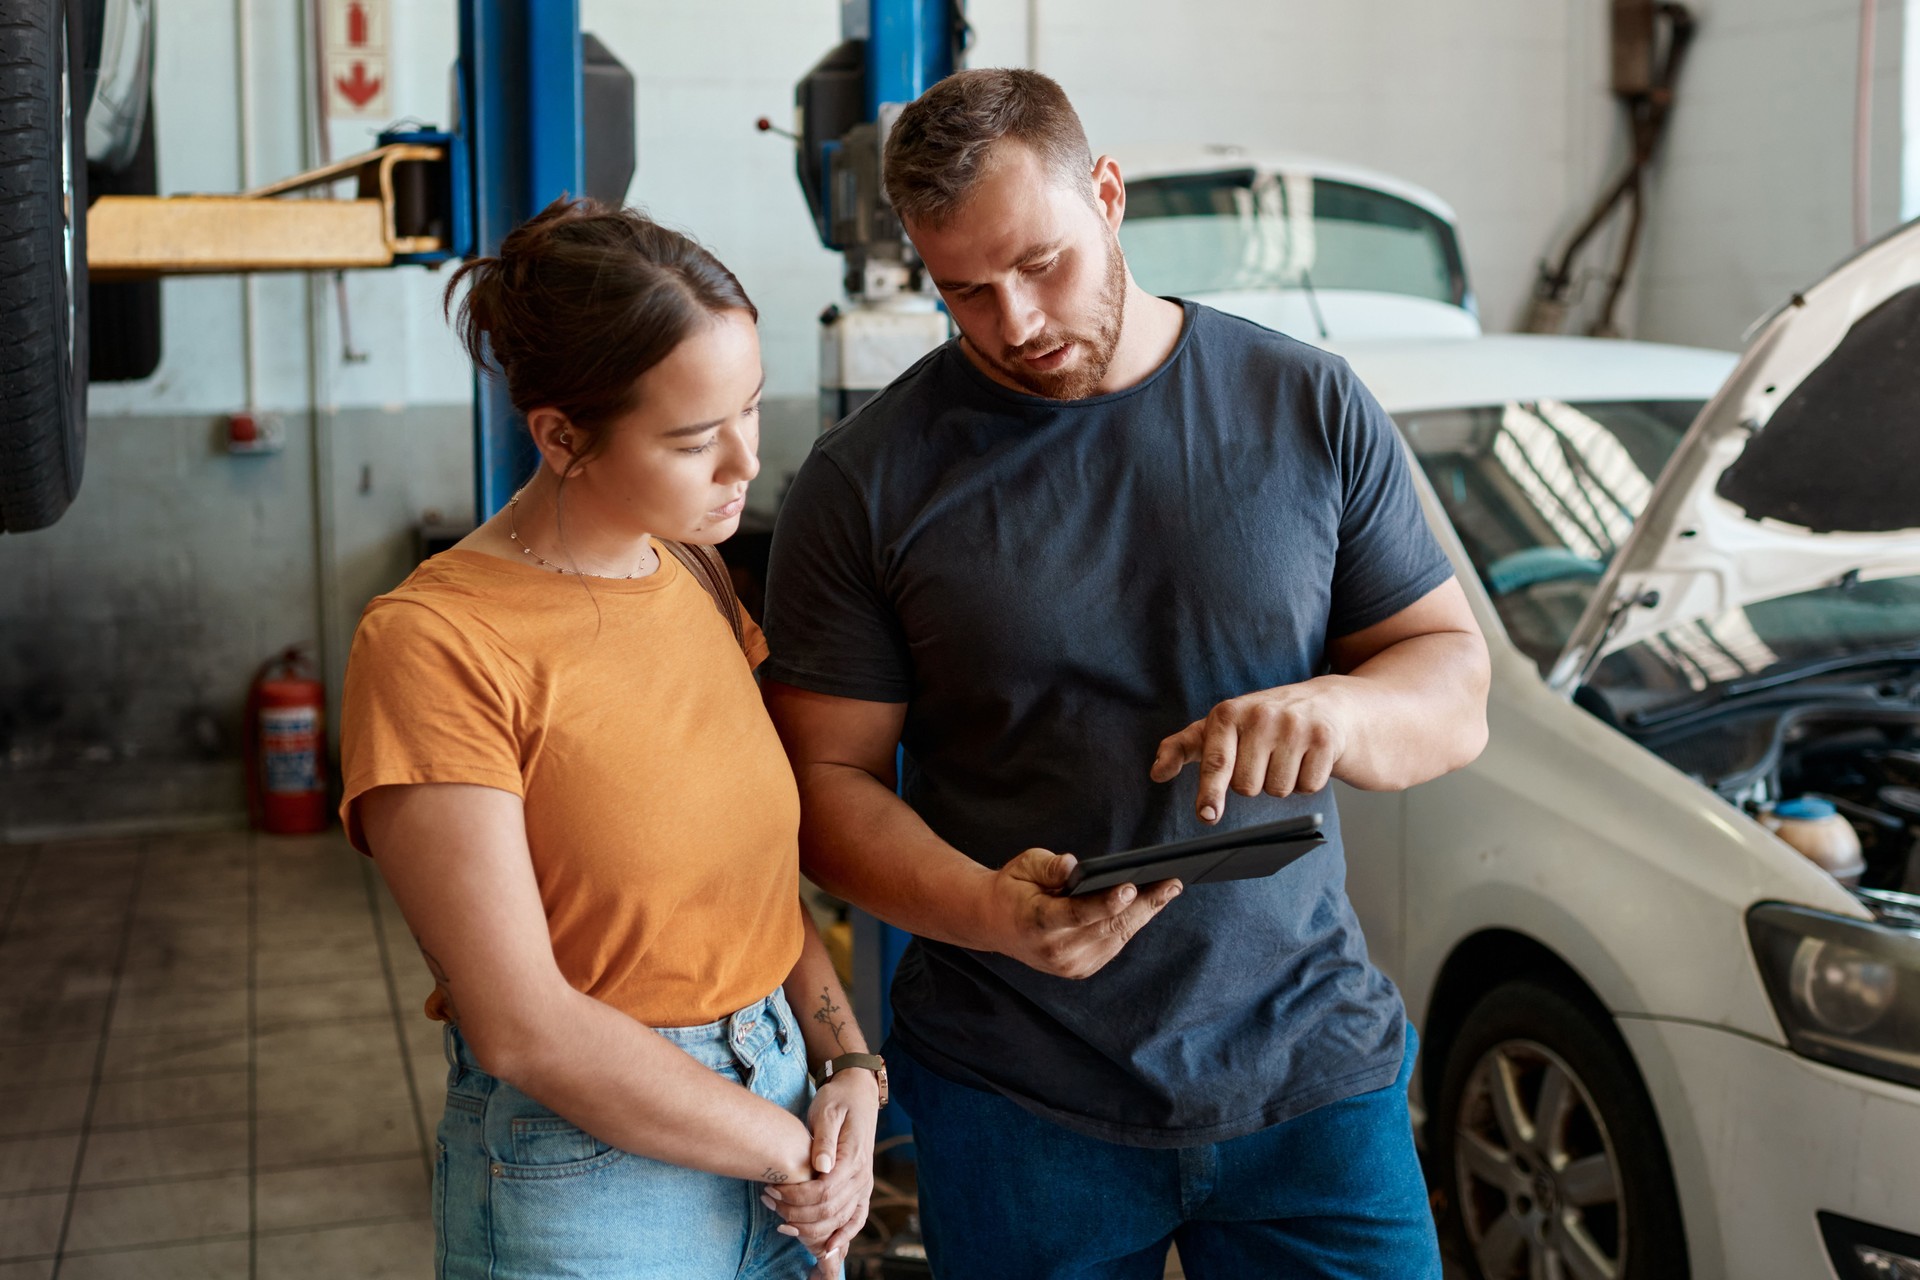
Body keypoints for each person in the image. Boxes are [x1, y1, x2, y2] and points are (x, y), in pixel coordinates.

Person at [761, 70, 1491, 1279]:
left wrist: (1342, 706)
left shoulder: (1305, 403)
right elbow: (824, 790)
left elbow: (1452, 685)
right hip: (1018, 1092)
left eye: (1039, 263)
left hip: (1309, 1068)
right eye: (965, 292)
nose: (1015, 321)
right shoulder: (865, 482)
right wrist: (996, 911)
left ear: (1107, 196)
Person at [339, 198, 877, 1280]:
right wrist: (787, 1149)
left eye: (753, 410)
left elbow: (756, 889)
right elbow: (524, 1024)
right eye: (692, 438)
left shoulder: (692, 570)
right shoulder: (436, 642)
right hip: (594, 1173)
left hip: (780, 1115)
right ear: (560, 434)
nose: (743, 463)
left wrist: (847, 1063)